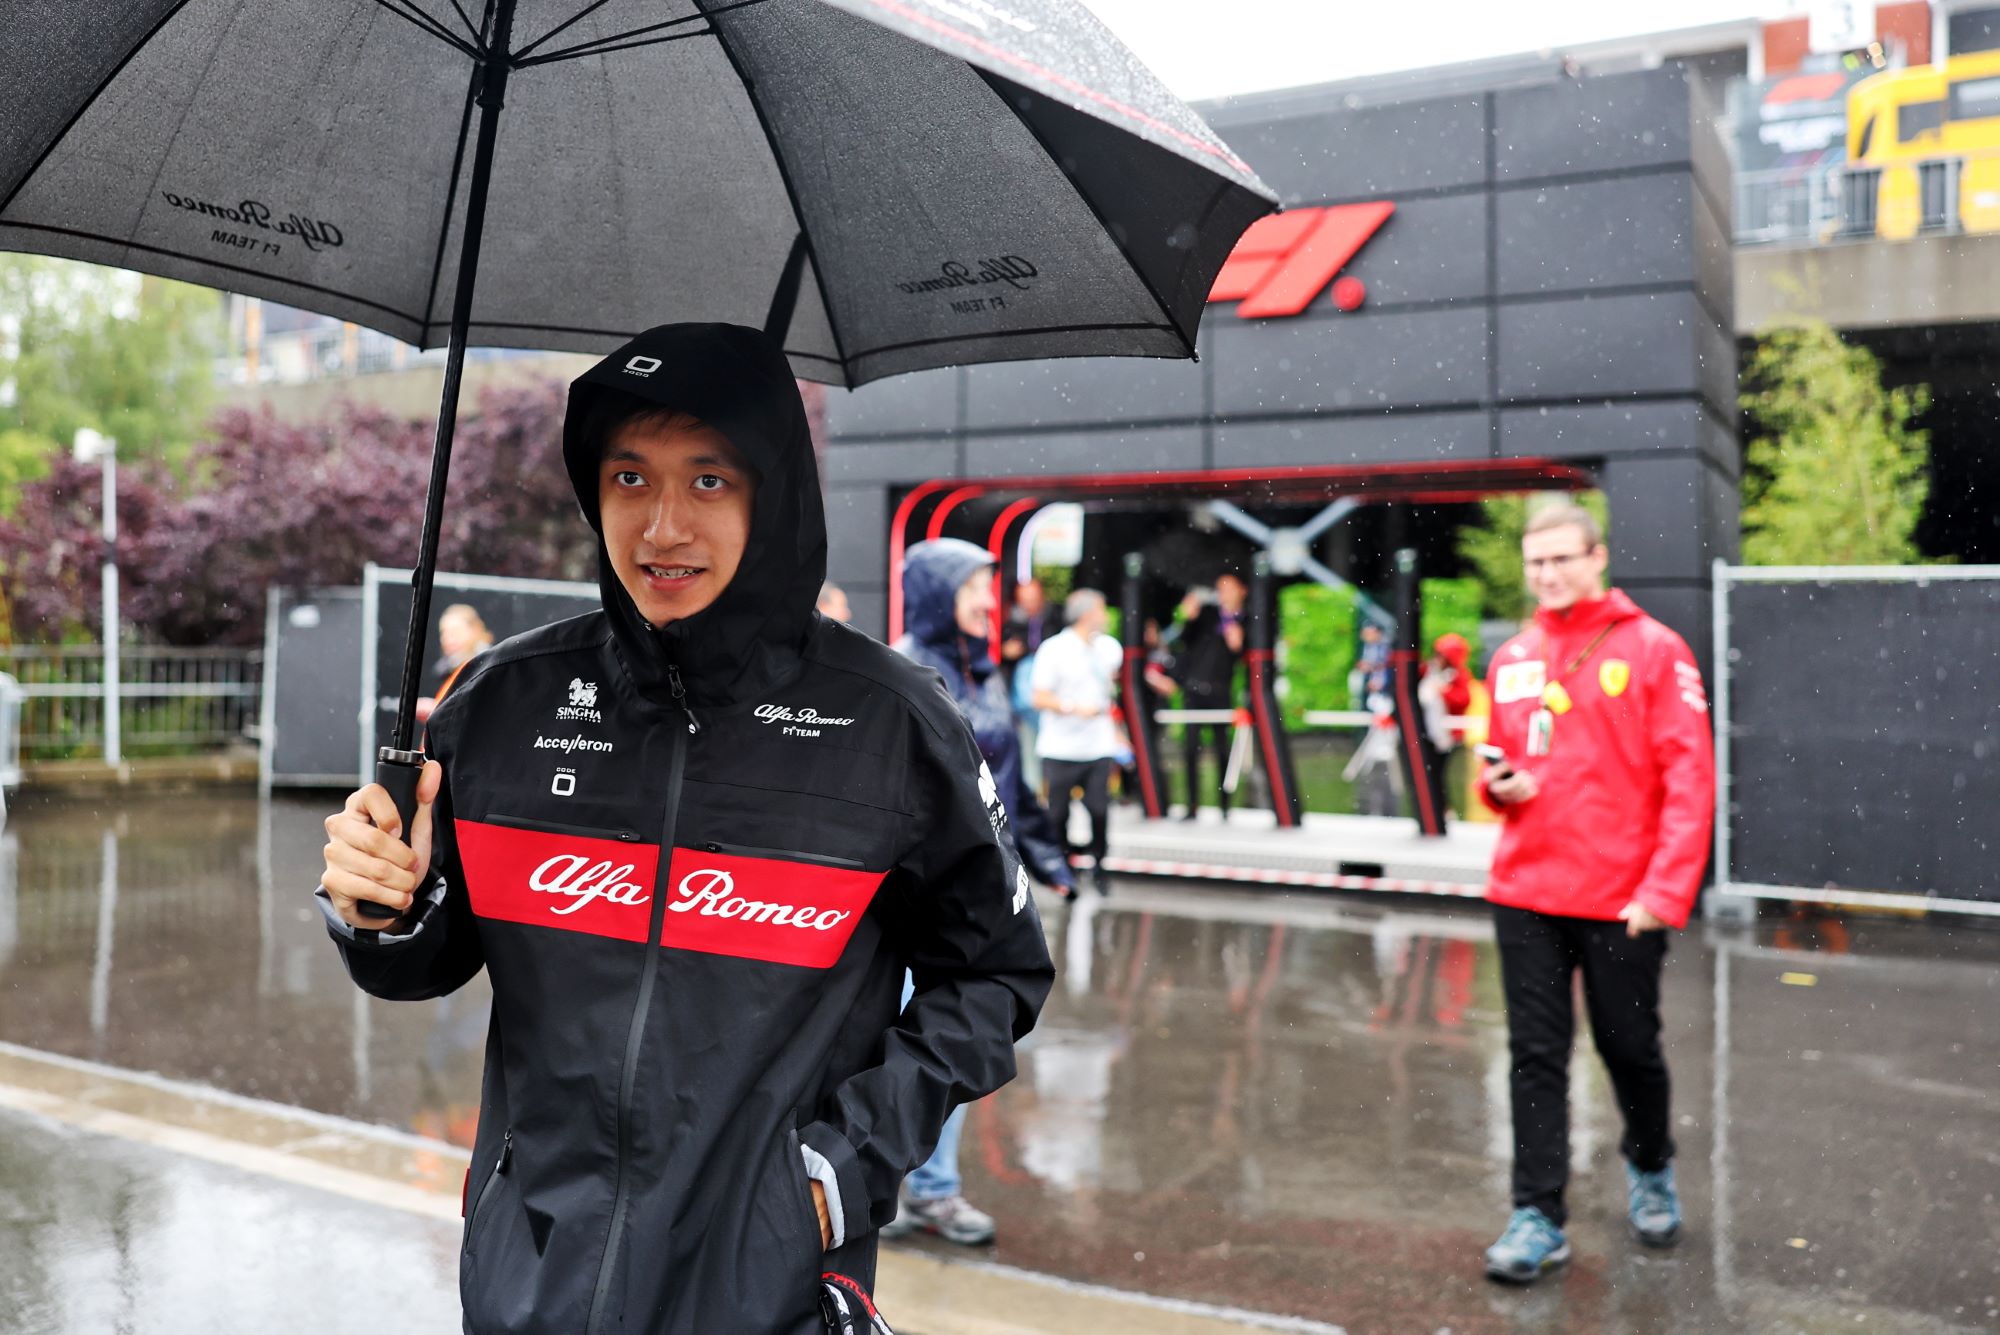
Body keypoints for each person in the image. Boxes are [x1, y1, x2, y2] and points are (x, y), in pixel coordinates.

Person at [316, 323, 1053, 1333]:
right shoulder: (500, 700)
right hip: (529, 1287)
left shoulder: (891, 720)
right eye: (628, 478)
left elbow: (994, 976)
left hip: (767, 1292)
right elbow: (419, 961)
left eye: (708, 481)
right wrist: (378, 905)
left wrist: (842, 1169)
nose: (660, 526)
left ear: (774, 493)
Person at [1476, 503, 1715, 1285]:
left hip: (1623, 898)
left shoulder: (1654, 650)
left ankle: (1651, 1165)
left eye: (1561, 559)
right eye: (1535, 562)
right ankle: (1536, 1214)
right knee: (1535, 1056)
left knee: (1628, 1047)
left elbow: (1690, 781)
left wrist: (1664, 889)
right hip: (1526, 889)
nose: (1548, 574)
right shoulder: (1512, 655)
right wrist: (1499, 786)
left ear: (1597, 556)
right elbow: (1501, 767)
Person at [886, 538, 1078, 1246]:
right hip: (910, 894)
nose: (989, 602)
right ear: (939, 591)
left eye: (990, 590)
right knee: (900, 1039)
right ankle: (888, 1183)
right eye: (974, 588)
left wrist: (1048, 857)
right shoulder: (903, 669)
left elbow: (1007, 782)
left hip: (976, 891)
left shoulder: (986, 671)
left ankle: (929, 1188)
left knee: (952, 1039)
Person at [1031, 590, 1123, 896]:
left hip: (1098, 746)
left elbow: (1111, 689)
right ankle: (1064, 867)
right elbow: (1039, 696)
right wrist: (1073, 707)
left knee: (1099, 810)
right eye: (1101, 609)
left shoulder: (1109, 648)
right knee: (1057, 814)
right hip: (1060, 748)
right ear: (1086, 614)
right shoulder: (1054, 649)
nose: (1106, 615)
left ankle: (1099, 865)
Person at [1170, 572, 1246, 820]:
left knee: (1221, 749)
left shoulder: (1245, 620)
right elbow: (1184, 642)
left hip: (1220, 691)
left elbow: (1244, 656)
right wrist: (1189, 618)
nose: (1223, 593)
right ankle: (1192, 805)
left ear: (1241, 591)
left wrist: (1238, 642)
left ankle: (1224, 805)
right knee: (1191, 749)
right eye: (1220, 588)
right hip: (1195, 690)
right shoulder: (1207, 614)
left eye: (1228, 588)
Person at [1000, 579, 1061, 788]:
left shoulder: (1056, 620)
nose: (1029, 604)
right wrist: (1006, 652)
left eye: (1033, 599)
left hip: (1052, 696)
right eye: (1024, 600)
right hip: (1023, 697)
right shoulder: (1010, 624)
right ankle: (1033, 791)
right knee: (1028, 745)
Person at [1416, 631, 1475, 816]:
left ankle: (1442, 809)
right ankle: (1435, 808)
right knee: (1430, 772)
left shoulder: (1459, 676)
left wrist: (1443, 691)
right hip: (1429, 731)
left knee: (1437, 773)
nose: (1438, 658)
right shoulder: (1430, 670)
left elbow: (1464, 700)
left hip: (1447, 734)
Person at [415, 603, 493, 723]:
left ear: (475, 630)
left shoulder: (486, 668)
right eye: (443, 633)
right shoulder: (455, 669)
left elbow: (480, 715)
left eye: (455, 631)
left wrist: (436, 712)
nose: (447, 639)